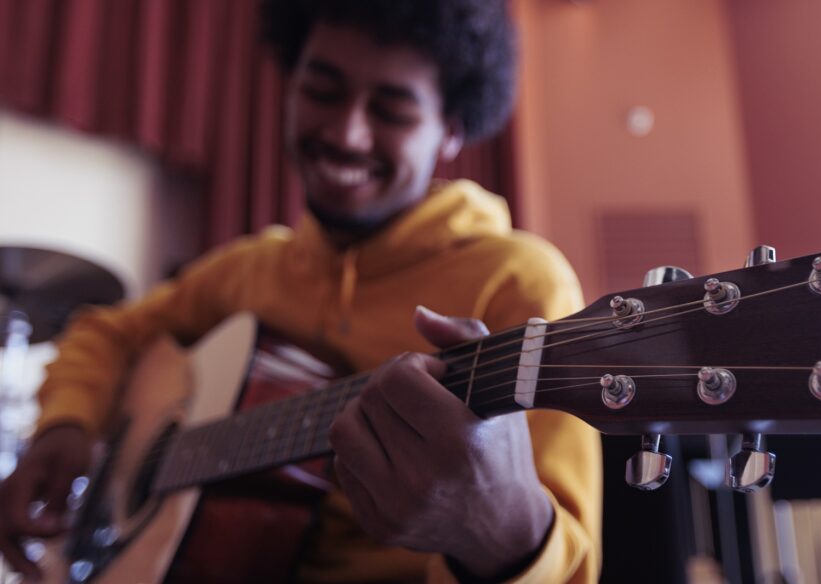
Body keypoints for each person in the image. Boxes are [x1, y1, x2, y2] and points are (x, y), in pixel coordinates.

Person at [0, 1, 602, 582]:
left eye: (391, 110)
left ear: (450, 130)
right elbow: (107, 331)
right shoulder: (249, 268)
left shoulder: (520, 283)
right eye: (322, 90)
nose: (346, 132)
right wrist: (65, 426)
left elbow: (575, 564)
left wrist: (500, 538)